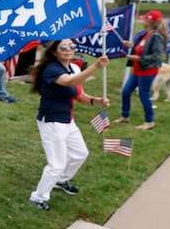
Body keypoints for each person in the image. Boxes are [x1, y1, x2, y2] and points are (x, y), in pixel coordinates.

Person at [28, 40, 109, 211]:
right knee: (56, 163)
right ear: (55, 52)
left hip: (67, 119)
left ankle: (61, 179)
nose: (68, 50)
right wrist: (96, 66)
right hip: (52, 120)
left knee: (80, 153)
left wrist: (95, 100)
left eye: (71, 46)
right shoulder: (52, 69)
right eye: (63, 47)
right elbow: (70, 83)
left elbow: (79, 93)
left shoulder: (74, 67)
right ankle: (38, 197)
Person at [117, 10, 168, 130]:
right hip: (137, 70)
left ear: (149, 22)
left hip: (147, 71)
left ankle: (149, 121)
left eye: (145, 19)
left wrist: (139, 58)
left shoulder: (156, 37)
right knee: (126, 91)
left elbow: (157, 55)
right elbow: (141, 47)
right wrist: (131, 45)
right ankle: (125, 116)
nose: (143, 20)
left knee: (144, 95)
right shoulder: (145, 34)